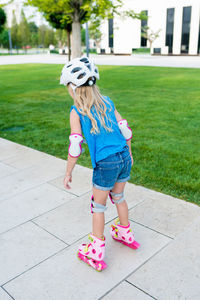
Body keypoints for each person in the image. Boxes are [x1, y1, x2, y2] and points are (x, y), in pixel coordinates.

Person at [60, 56, 140, 271]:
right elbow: (125, 129)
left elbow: (75, 146)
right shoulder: (108, 101)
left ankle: (95, 249)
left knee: (98, 206)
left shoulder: (76, 111)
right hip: (123, 157)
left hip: (105, 164)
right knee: (119, 197)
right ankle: (125, 232)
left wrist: (68, 172)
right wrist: (129, 154)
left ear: (74, 88)